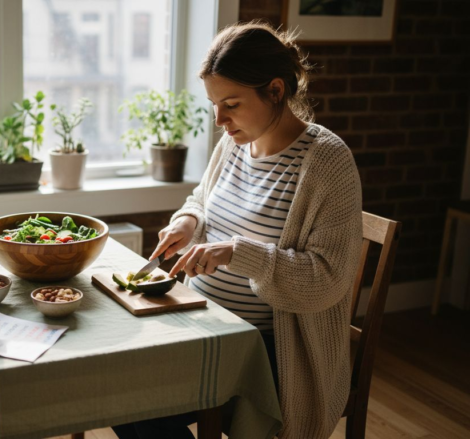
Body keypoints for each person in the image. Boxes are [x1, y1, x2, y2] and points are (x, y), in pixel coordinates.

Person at [113, 21, 362, 439]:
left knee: (139, 403)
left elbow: (326, 281)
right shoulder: (235, 143)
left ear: (276, 91)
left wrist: (235, 253)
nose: (219, 119)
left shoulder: (326, 162)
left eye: (231, 103)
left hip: (272, 349)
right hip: (206, 323)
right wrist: (188, 222)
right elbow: (202, 200)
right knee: (118, 390)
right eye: (213, 104)